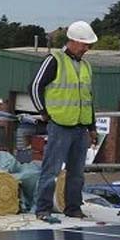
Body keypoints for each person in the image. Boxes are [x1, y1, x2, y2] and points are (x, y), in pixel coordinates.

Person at [31, 21, 98, 223]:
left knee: (77, 172)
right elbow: (35, 86)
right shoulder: (55, 59)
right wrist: (43, 112)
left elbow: (87, 99)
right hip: (60, 125)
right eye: (84, 44)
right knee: (51, 170)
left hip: (80, 126)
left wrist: (92, 127)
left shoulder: (86, 66)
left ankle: (73, 208)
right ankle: (42, 209)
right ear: (73, 41)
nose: (87, 49)